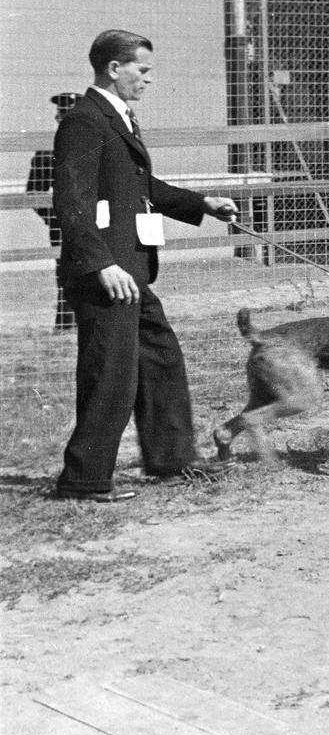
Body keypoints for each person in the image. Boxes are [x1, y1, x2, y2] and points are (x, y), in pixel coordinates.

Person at [50, 30, 240, 502]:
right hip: (109, 273)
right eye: (143, 69)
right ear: (115, 68)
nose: (149, 80)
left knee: (159, 357)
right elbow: (71, 201)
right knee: (110, 373)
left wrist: (202, 204)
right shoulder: (85, 121)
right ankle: (85, 479)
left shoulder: (116, 119)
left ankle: (172, 461)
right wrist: (100, 265)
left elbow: (140, 186)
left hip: (129, 269)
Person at [26, 92, 79, 330]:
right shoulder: (47, 153)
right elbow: (34, 193)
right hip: (62, 226)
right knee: (65, 274)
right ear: (58, 118)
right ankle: (67, 323)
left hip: (100, 222)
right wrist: (56, 219)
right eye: (63, 115)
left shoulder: (100, 147)